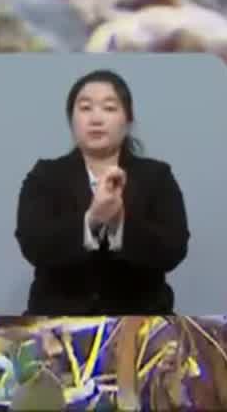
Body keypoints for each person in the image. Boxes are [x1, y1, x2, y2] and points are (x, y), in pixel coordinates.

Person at [14, 68, 190, 316]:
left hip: (140, 321)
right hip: (58, 320)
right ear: (71, 119)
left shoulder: (157, 176)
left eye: (109, 108)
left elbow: (173, 249)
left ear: (127, 120)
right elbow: (34, 246)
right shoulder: (45, 176)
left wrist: (119, 223)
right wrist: (92, 220)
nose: (96, 119)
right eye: (85, 108)